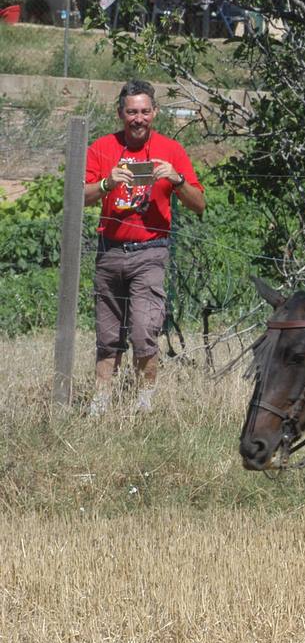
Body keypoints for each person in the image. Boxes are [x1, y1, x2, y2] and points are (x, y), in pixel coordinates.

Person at [83, 79, 206, 414]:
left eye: (144, 111)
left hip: (150, 251)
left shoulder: (171, 150)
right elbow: (80, 195)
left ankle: (144, 400)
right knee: (108, 333)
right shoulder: (102, 147)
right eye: (131, 111)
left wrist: (176, 179)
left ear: (155, 112)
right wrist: (108, 183)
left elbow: (199, 204)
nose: (138, 118)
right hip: (109, 250)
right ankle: (101, 399)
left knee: (143, 329)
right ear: (121, 113)